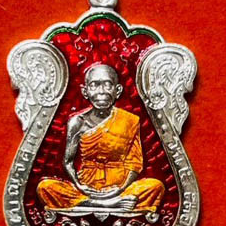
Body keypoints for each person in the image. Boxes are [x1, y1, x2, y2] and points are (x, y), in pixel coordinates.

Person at [37, 64, 164, 212]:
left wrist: (121, 188)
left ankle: (90, 204)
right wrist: (79, 185)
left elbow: (135, 164)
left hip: (119, 187)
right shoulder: (77, 122)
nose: (101, 91)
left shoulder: (129, 121)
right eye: (94, 85)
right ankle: (107, 205)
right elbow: (68, 161)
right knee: (45, 187)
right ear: (85, 91)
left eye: (107, 85)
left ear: (117, 90)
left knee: (155, 186)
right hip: (86, 187)